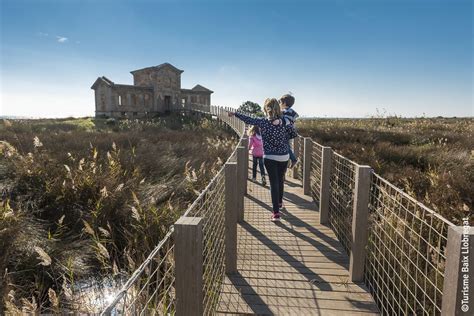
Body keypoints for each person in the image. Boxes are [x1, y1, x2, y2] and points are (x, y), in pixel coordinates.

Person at [229, 98, 298, 221]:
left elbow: (248, 119)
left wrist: (235, 114)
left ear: (266, 109)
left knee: (274, 183)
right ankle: (280, 202)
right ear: (278, 108)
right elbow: (293, 134)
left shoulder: (263, 122)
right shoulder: (285, 121)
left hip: (269, 157)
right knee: (281, 179)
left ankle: (276, 213)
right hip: (283, 156)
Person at [272, 94, 299, 168]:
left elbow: (286, 121)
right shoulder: (288, 111)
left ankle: (293, 159)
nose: (279, 104)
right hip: (287, 132)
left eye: (280, 102)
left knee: (285, 145)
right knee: (286, 146)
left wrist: (279, 122)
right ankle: (290, 160)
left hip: (287, 132)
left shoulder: (287, 111)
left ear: (284, 103)